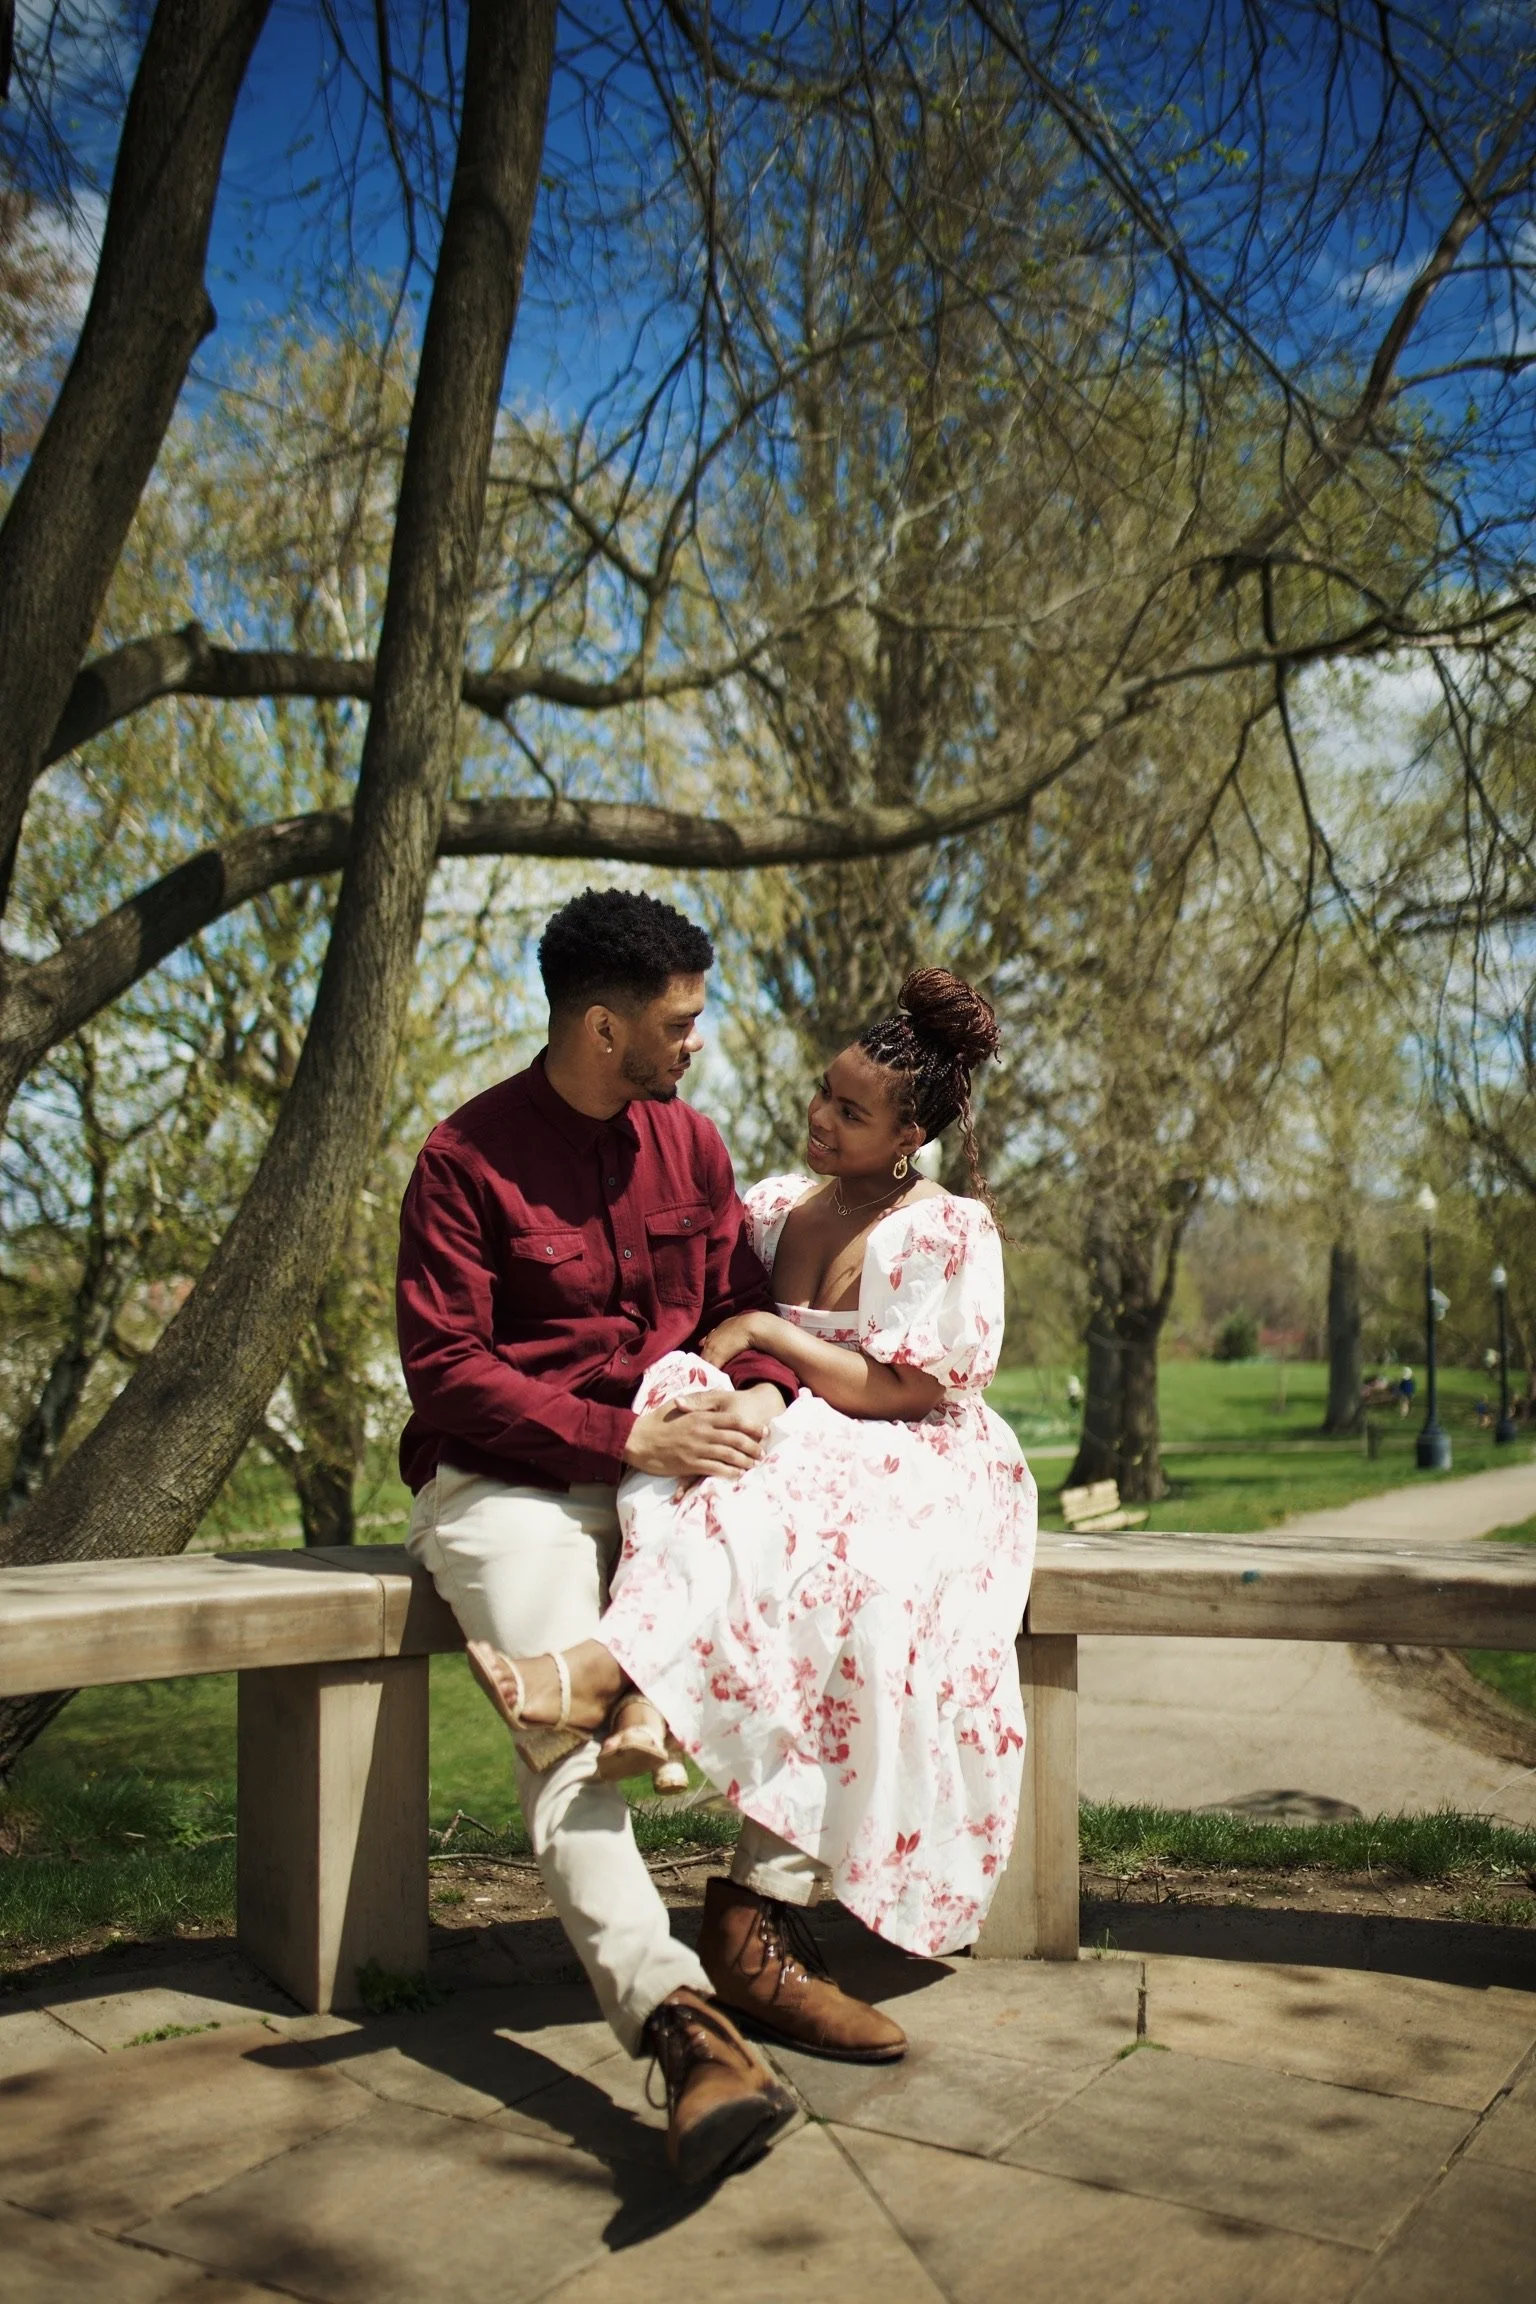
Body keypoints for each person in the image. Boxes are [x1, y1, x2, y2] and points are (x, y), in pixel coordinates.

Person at [397, 888, 899, 2191]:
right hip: (511, 1485)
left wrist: (756, 1408)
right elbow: (446, 1373)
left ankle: (758, 1923)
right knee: (561, 1740)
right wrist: (623, 1443)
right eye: (678, 1024)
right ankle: (688, 2035)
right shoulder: (464, 1163)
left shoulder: (694, 1145)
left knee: (849, 1592)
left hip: (677, 1473)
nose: (696, 1045)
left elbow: (740, 1310)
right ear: (605, 1026)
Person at [468, 969, 1037, 2085]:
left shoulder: (946, 1232)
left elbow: (907, 1389)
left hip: (917, 1458)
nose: (821, 1119)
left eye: (852, 1113)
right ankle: (633, 1687)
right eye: (823, 1095)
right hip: (805, 1433)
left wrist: (771, 1331)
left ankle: (749, 1890)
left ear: (911, 1133)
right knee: (714, 1490)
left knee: (858, 1590)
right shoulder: (781, 1204)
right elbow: (719, 1328)